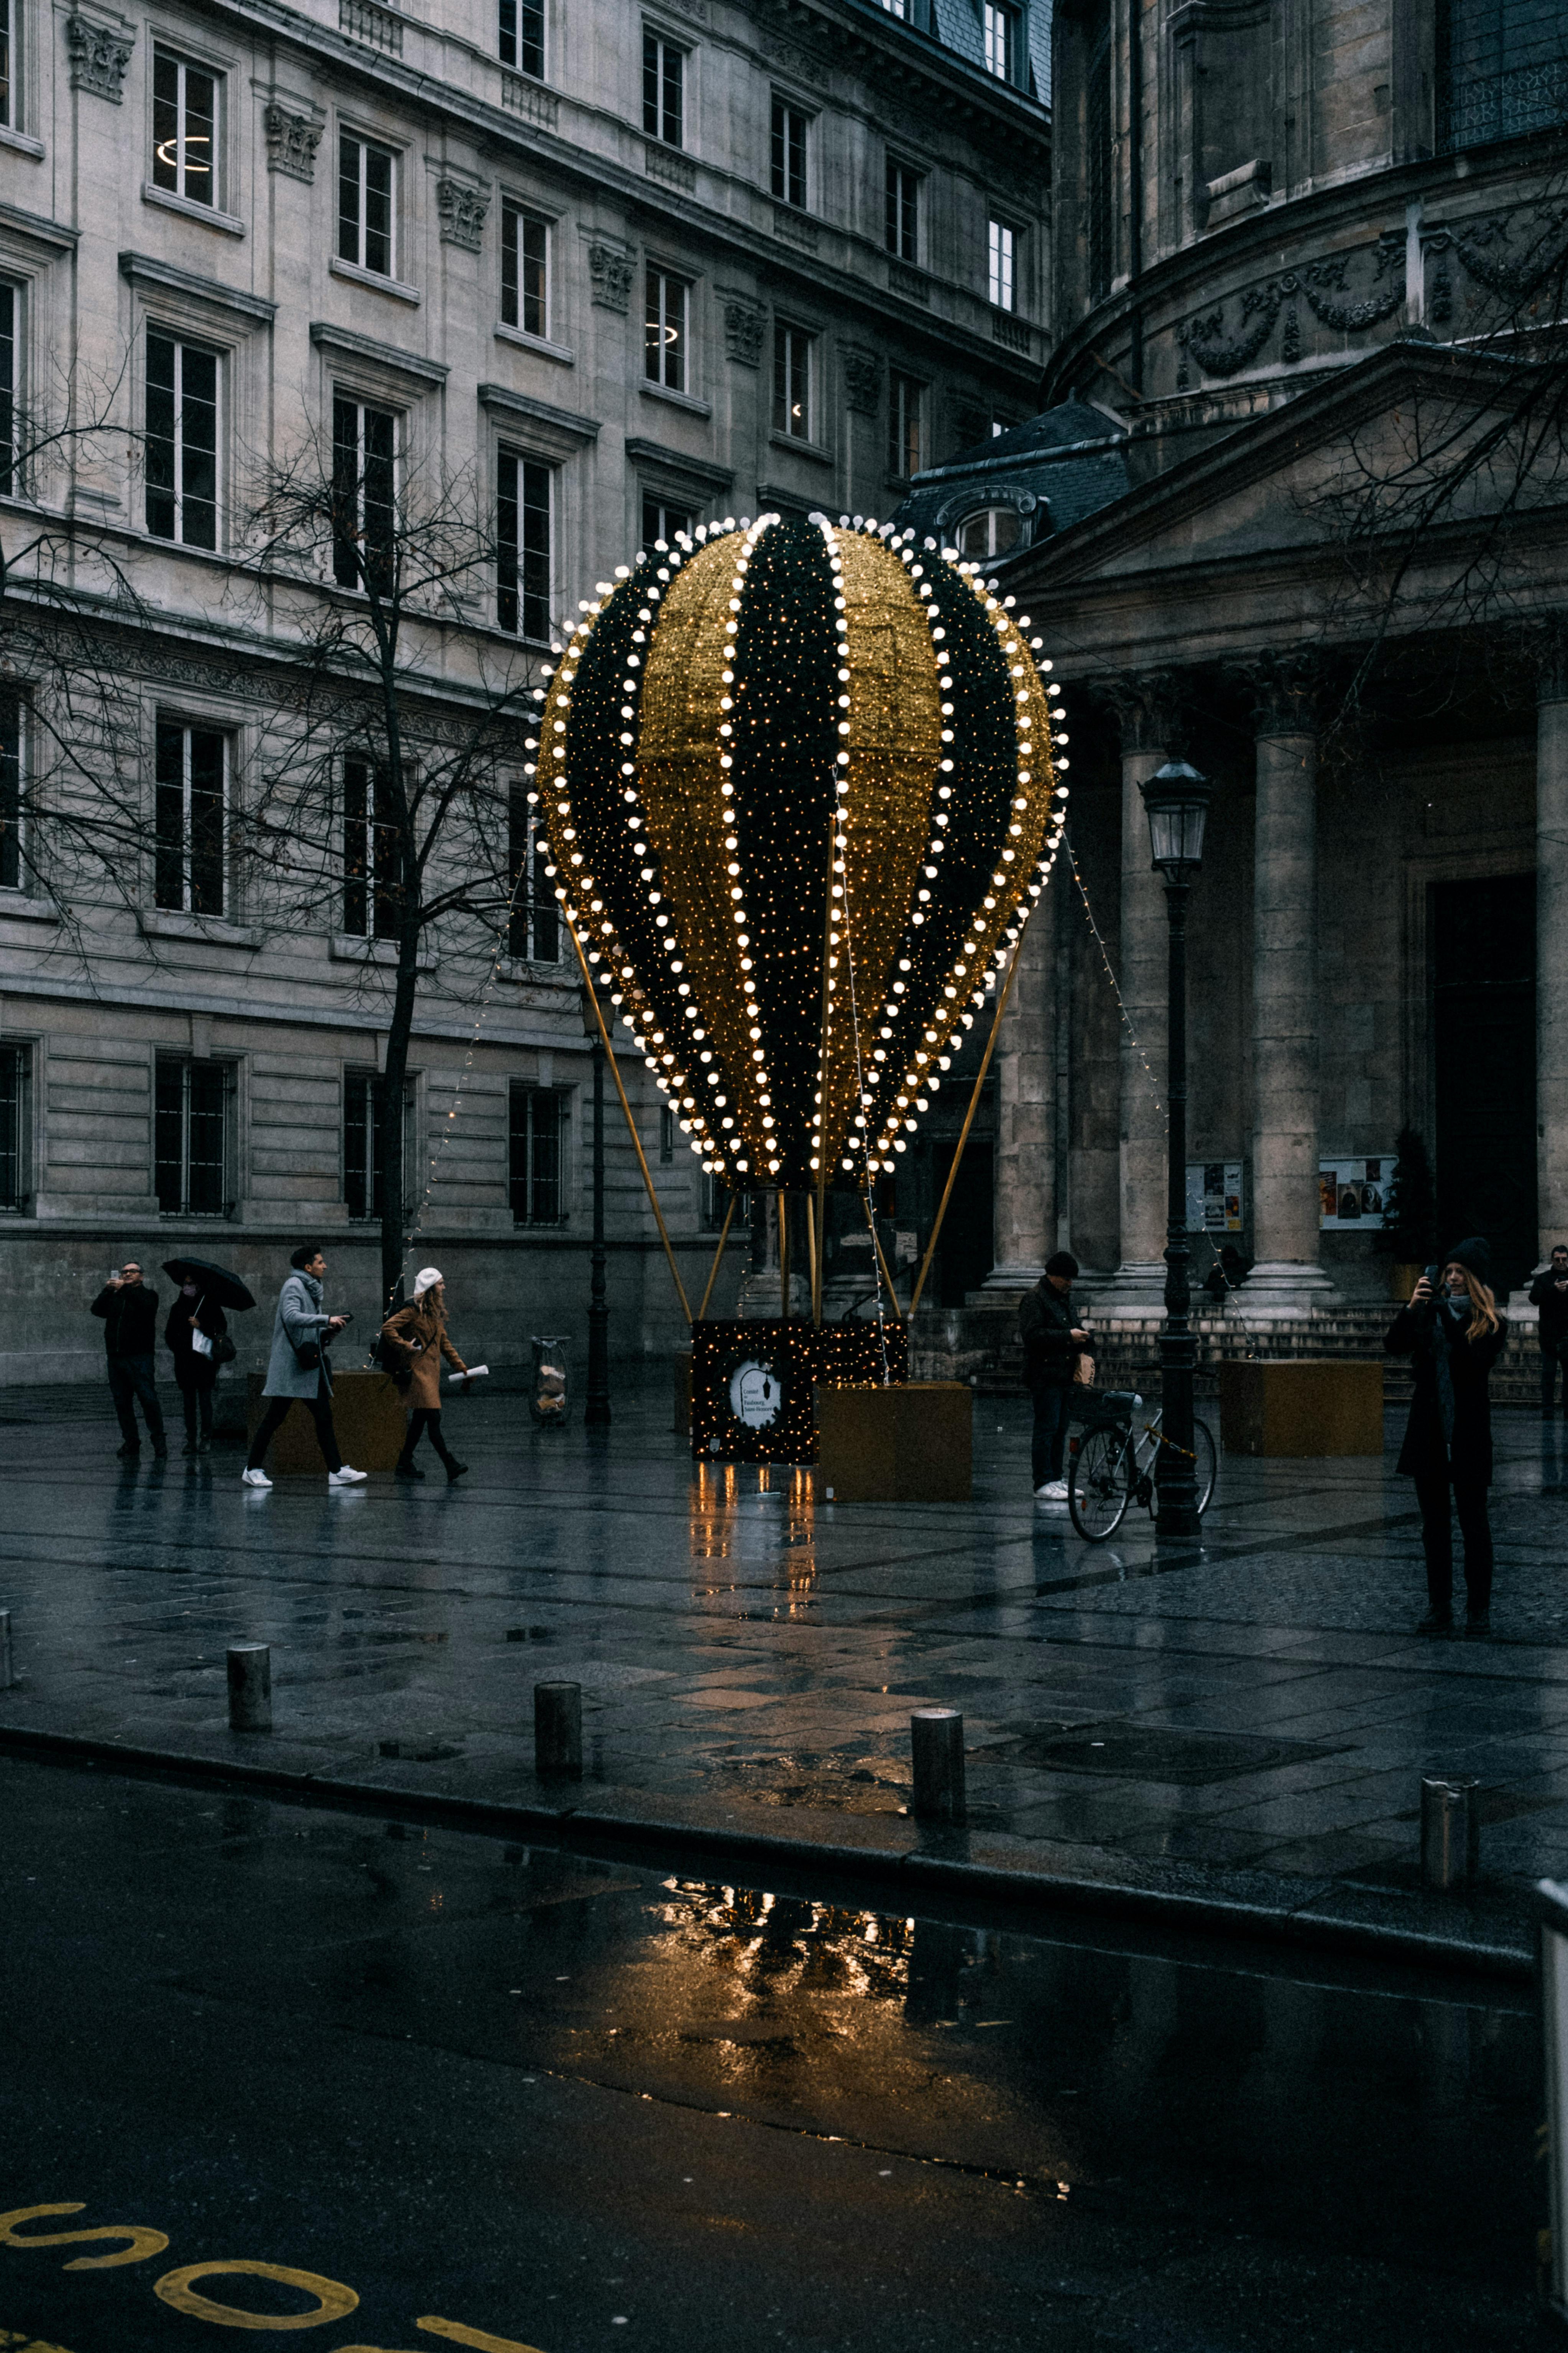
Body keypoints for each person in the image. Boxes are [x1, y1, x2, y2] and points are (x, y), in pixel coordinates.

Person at [1385, 1236, 1507, 1638]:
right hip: (1430, 1431)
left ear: (1473, 1280)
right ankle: (1439, 1605)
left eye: (1459, 1273)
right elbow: (1393, 1345)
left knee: (1474, 1523)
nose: (1451, 1278)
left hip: (1469, 1433)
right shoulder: (1428, 1314)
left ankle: (1478, 1609)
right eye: (1448, 1272)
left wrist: (1449, 1321)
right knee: (1433, 1526)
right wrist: (1412, 1308)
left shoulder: (1490, 1323)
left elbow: (1473, 1365)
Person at [242, 1244, 367, 1490]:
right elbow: (291, 1317)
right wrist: (325, 1319)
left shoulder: (308, 1288)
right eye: (320, 1262)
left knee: (323, 1417)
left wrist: (329, 1330)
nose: (325, 1266)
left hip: (306, 1367)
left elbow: (305, 1326)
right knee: (274, 1418)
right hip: (293, 1366)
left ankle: (336, 1470)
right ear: (308, 1267)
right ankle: (252, 1469)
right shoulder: (294, 1286)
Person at [381, 1267, 472, 1485]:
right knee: (433, 1420)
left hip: (431, 1374)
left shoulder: (434, 1313)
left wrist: (462, 1368)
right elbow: (388, 1327)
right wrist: (406, 1346)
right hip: (419, 1374)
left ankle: (404, 1463)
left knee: (419, 1422)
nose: (444, 1287)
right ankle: (450, 1465)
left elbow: (445, 1344)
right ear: (431, 1288)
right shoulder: (413, 1310)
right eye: (441, 1284)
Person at [1018, 1250, 1089, 1502]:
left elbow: (1072, 1326)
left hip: (1064, 1374)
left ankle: (1056, 1478)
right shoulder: (1035, 1298)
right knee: (1047, 1428)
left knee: (1060, 1429)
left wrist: (1083, 1337)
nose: (1071, 1284)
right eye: (1067, 1279)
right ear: (1053, 1276)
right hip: (1044, 1375)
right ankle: (1043, 1481)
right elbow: (1033, 1336)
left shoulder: (1061, 1298)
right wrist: (1068, 1336)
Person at [91, 1260, 166, 1461]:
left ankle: (159, 1440)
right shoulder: (117, 1296)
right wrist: (107, 1291)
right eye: (124, 1272)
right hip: (117, 1358)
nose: (127, 1275)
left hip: (139, 1357)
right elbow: (97, 1310)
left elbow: (147, 1307)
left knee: (148, 1399)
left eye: (133, 1272)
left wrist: (124, 1290)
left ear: (141, 1276)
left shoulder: (148, 1295)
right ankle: (131, 1440)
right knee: (122, 1402)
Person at [165, 1277, 228, 1456]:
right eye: (185, 1284)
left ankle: (206, 1437)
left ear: (198, 1286)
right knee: (188, 1403)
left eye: (191, 1284)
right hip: (185, 1361)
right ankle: (191, 1439)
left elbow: (221, 1329)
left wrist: (202, 1325)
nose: (187, 1287)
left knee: (205, 1400)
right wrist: (178, 1348)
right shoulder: (178, 1308)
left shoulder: (210, 1305)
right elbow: (170, 1333)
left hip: (204, 1361)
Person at [1529, 1245, 1568, 1417]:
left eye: (1564, 1259)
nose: (1561, 1262)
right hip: (1548, 1335)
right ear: (1552, 1260)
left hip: (1567, 1336)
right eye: (1557, 1259)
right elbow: (1534, 1299)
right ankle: (1548, 1409)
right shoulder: (1543, 1279)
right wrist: (1553, 1290)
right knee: (1548, 1374)